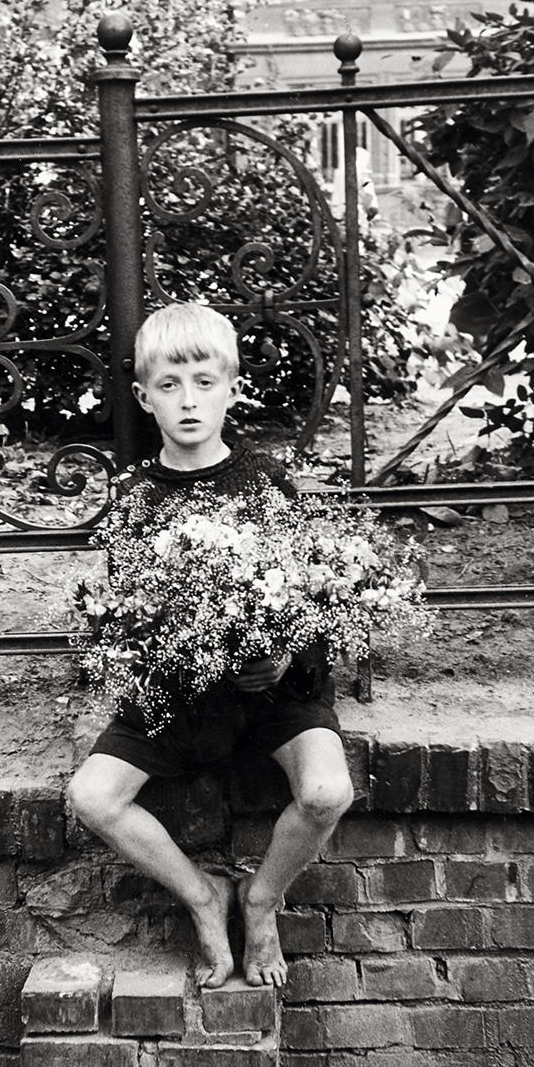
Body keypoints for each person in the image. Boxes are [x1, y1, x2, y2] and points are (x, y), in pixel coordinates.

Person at [69, 303, 353, 989]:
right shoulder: (136, 500)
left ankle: (261, 900)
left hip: (273, 696)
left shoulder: (267, 485)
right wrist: (155, 645)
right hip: (178, 700)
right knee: (92, 796)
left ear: (232, 387)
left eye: (204, 381)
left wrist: (288, 656)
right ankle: (204, 897)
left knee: (325, 791)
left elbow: (314, 598)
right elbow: (124, 621)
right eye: (169, 385)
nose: (188, 400)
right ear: (144, 397)